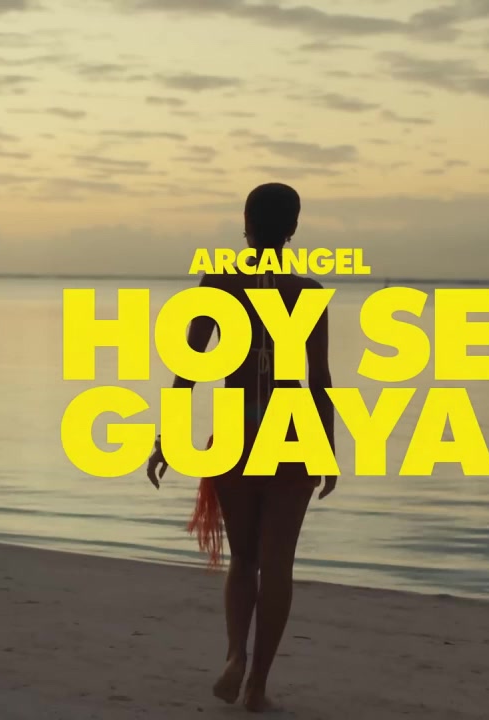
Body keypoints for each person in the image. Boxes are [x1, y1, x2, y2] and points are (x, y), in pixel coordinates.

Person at [145, 182, 337, 712]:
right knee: (277, 565)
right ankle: (256, 685)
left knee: (244, 558)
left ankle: (235, 655)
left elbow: (189, 368)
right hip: (292, 431)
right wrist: (328, 448)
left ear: (246, 226)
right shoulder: (307, 293)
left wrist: (168, 437)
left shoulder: (218, 285)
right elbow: (319, 379)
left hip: (234, 432)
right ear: (293, 228)